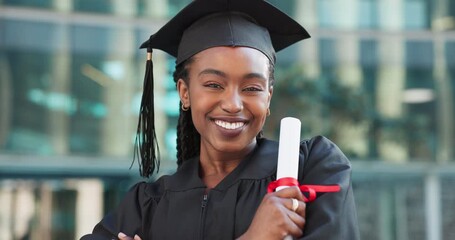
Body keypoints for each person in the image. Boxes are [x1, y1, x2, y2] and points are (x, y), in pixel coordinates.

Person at [81, 0, 360, 239]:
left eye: (252, 88)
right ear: (185, 93)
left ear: (269, 97)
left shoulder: (311, 170)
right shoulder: (147, 205)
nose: (233, 104)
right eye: (214, 85)